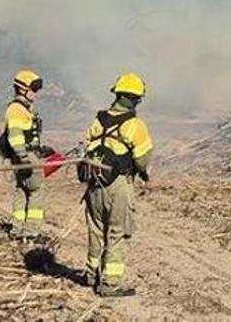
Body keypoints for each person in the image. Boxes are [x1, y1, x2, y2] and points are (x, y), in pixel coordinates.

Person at [82, 72, 153, 297]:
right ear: (136, 99)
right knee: (117, 232)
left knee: (95, 230)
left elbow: (86, 148)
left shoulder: (98, 120)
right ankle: (110, 284)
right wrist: (143, 173)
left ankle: (90, 275)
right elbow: (142, 160)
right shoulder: (135, 125)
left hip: (94, 185)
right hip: (119, 185)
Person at [0, 70, 50, 238]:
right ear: (22, 89)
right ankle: (32, 232)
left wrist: (40, 149)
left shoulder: (23, 109)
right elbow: (15, 136)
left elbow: (26, 134)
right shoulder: (16, 109)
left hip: (26, 155)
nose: (36, 94)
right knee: (37, 190)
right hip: (25, 157)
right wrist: (25, 158)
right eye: (33, 90)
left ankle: (17, 229)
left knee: (22, 189)